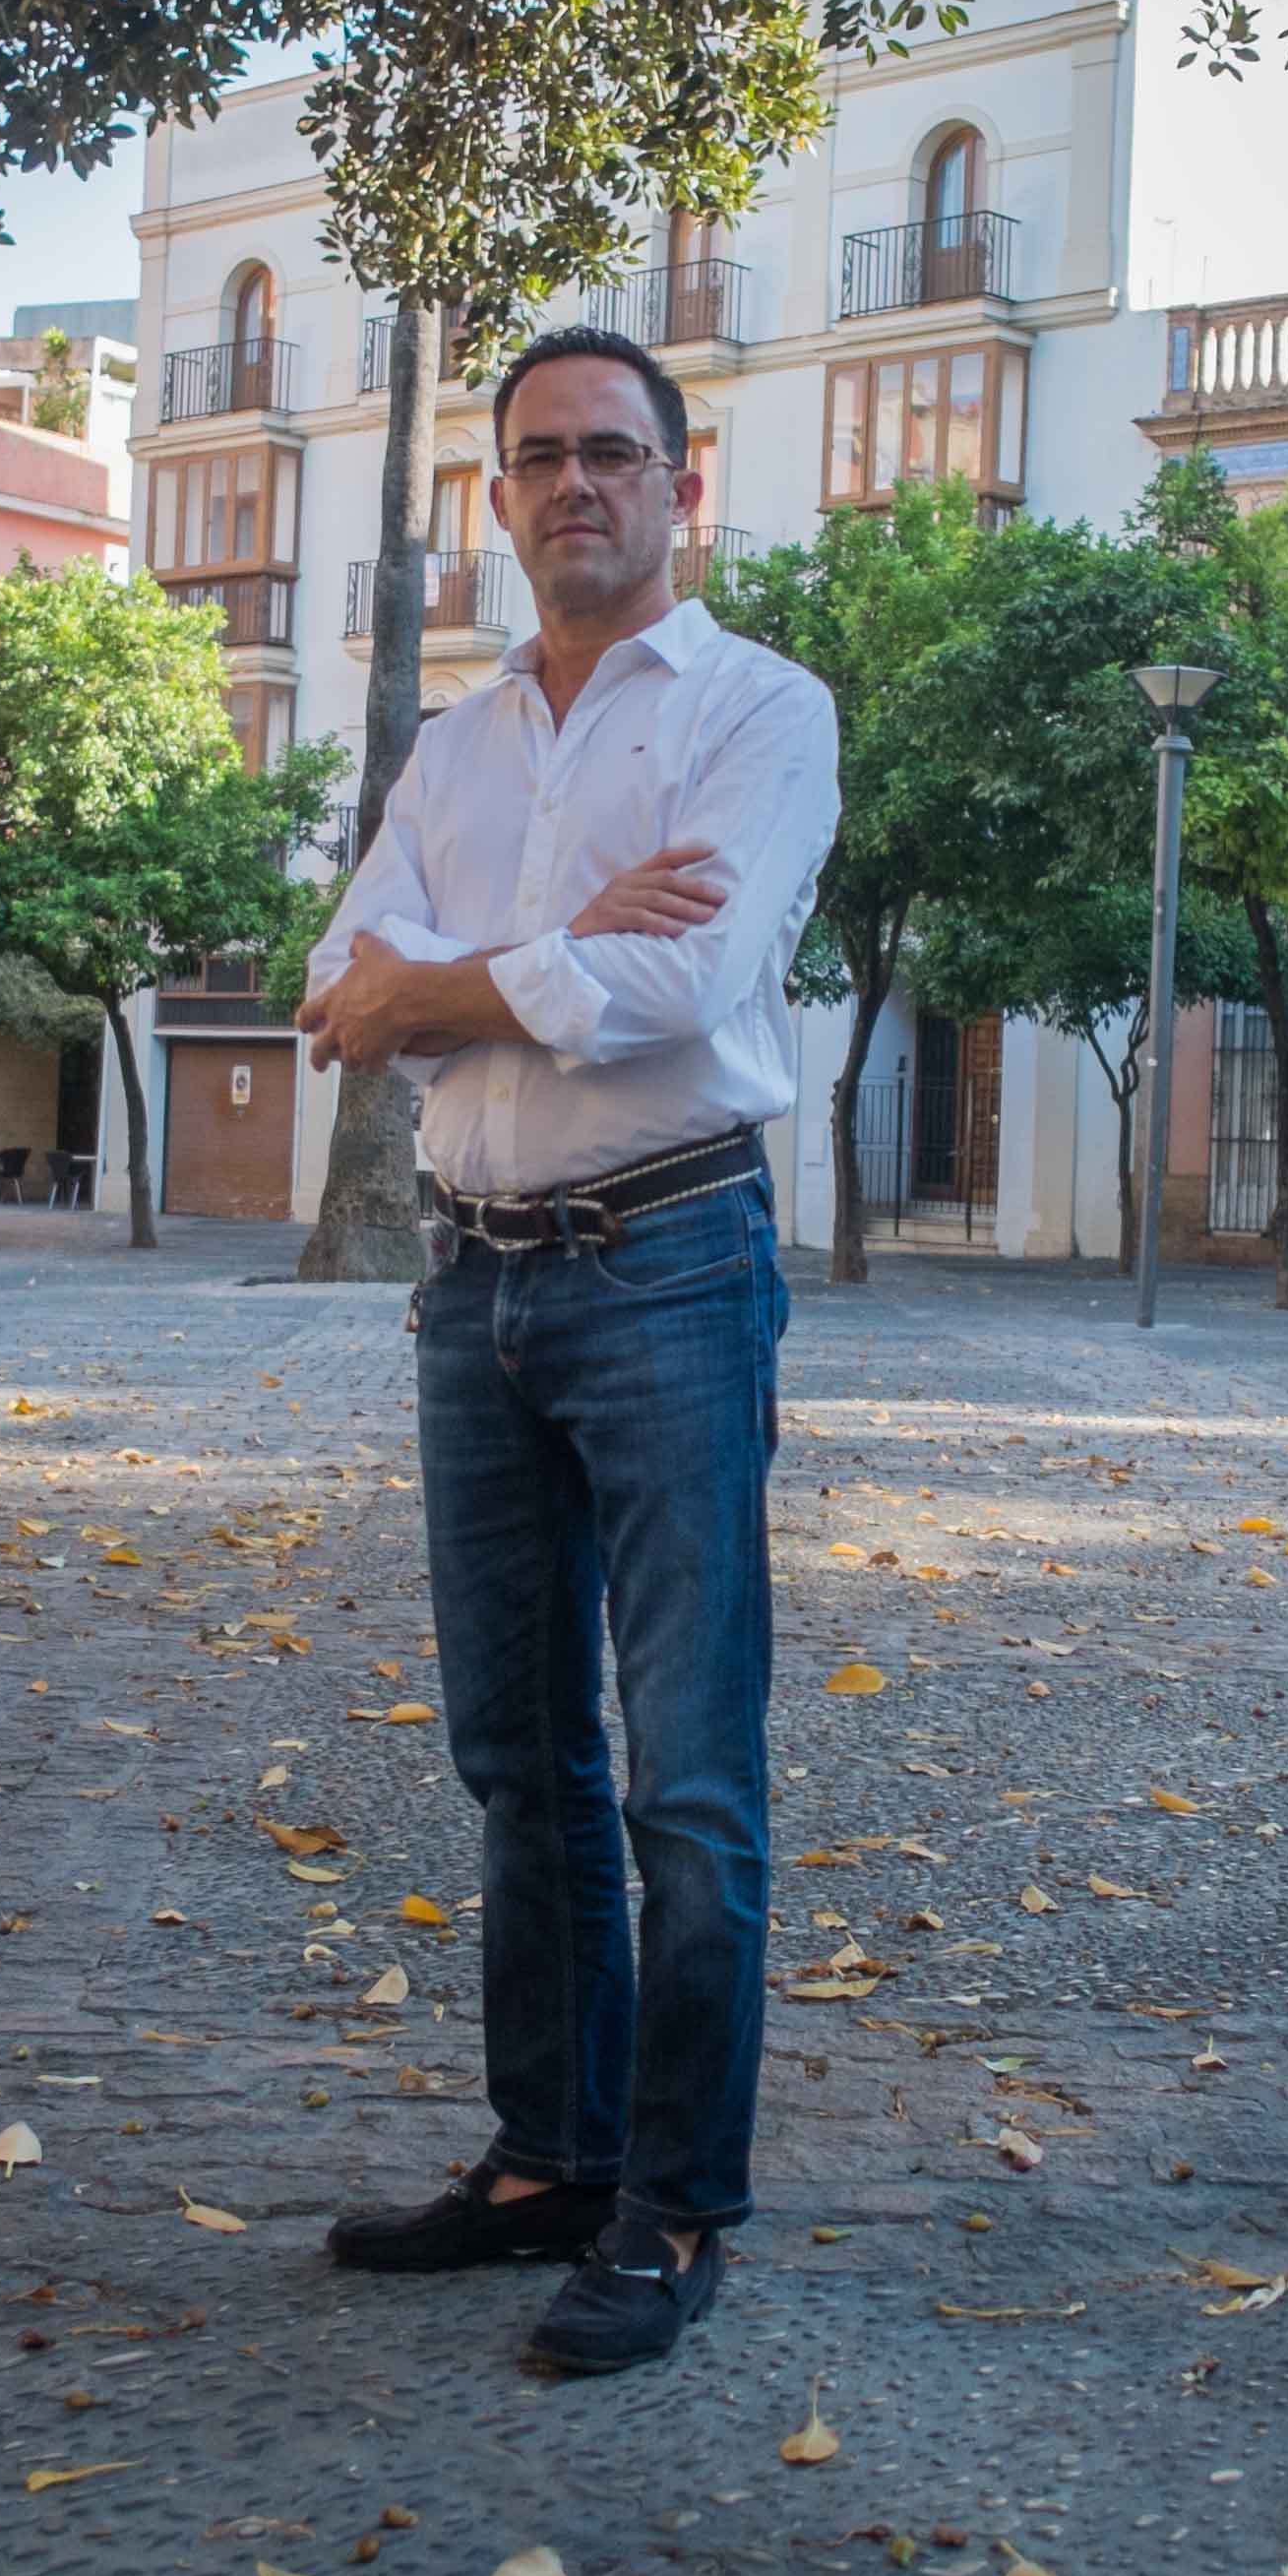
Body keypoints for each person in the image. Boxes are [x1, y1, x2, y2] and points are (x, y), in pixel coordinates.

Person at [295, 323, 838, 2375]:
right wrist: (528, 960)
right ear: (497, 495)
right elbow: (337, 997)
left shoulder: (761, 713)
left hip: (671, 1262)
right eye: (538, 456)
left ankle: (677, 2205)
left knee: (687, 1779)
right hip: (475, 1282)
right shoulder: (453, 747)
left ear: (681, 485)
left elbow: (685, 982)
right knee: (518, 1759)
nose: (574, 484)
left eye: (614, 451)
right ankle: (548, 2159)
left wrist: (464, 980)